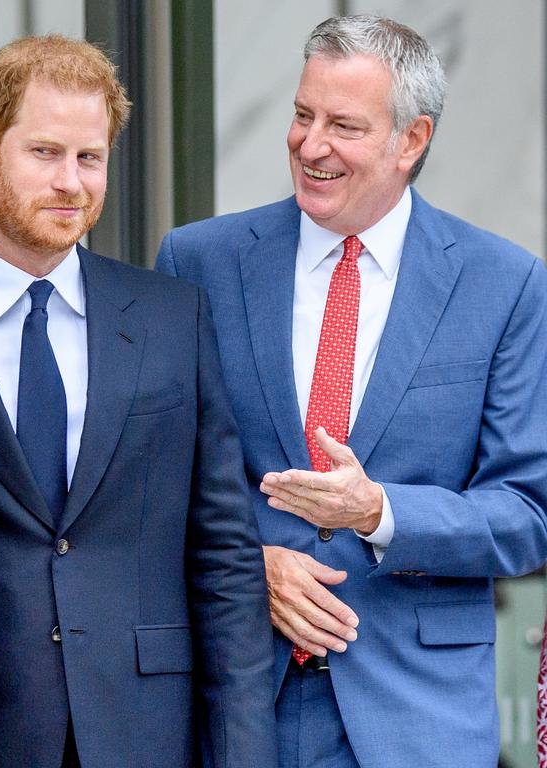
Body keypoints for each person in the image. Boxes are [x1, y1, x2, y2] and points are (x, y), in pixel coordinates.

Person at [0, 35, 277, 768]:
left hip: (148, 732)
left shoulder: (173, 318)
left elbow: (223, 557)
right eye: (45, 153)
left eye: (89, 157)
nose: (72, 182)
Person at [156, 14, 547, 768]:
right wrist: (251, 563)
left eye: (343, 125)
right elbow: (152, 479)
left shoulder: (504, 285)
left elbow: (528, 514)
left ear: (412, 139)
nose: (310, 144)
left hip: (416, 714)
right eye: (302, 115)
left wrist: (381, 511)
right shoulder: (198, 261)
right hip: (237, 703)